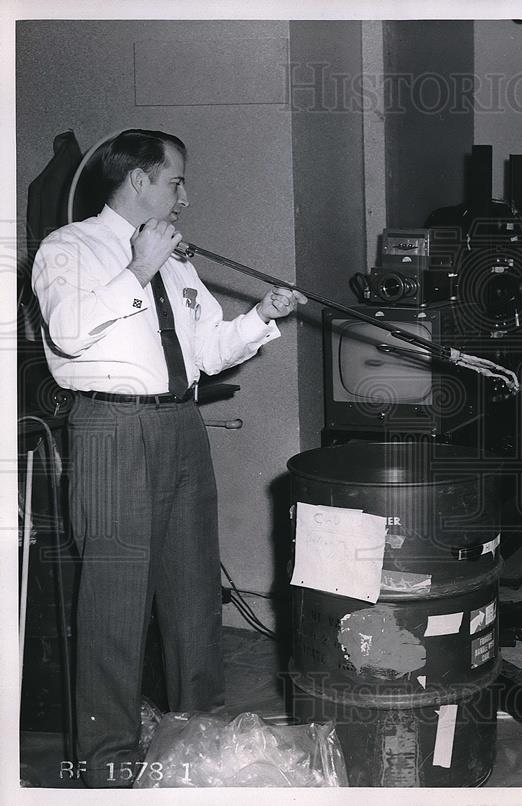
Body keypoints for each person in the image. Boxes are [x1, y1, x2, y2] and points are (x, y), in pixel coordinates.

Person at [30, 129, 307, 787]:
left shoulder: (177, 262)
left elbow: (206, 351)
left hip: (182, 428)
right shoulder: (66, 249)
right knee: (113, 610)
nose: (186, 196)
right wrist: (137, 272)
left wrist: (262, 317)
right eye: (176, 181)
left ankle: (200, 747)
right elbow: (67, 334)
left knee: (191, 606)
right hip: (111, 431)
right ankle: (108, 767)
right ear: (138, 182)